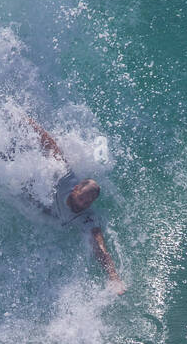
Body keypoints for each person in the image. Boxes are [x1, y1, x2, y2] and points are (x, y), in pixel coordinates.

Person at [25, 116, 126, 293]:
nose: (84, 204)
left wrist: (114, 278)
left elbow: (100, 248)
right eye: (82, 198)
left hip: (53, 214)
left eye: (88, 202)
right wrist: (28, 123)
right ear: (76, 189)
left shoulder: (87, 218)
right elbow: (50, 144)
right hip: (44, 201)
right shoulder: (66, 178)